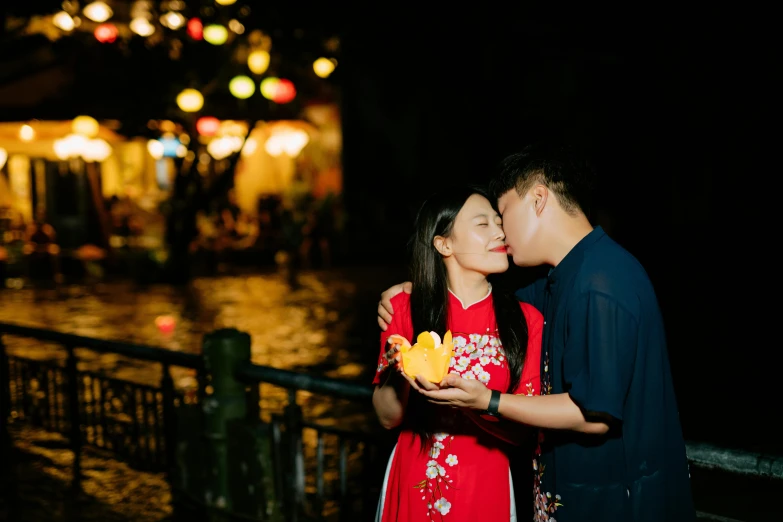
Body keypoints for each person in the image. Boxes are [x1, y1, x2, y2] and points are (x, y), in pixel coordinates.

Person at [376, 142, 695, 521]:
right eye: (487, 221)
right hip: (562, 494)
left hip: (615, 498)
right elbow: (478, 298)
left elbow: (595, 414)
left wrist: (487, 401)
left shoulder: (600, 281)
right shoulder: (558, 281)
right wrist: (410, 292)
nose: (500, 230)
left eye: (503, 214)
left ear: (539, 199)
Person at [372, 186, 543, 522]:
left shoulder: (526, 319)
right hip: (415, 476)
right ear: (444, 243)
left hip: (488, 482)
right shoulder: (404, 308)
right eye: (483, 225)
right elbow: (387, 417)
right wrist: (401, 370)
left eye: (499, 222)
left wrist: (479, 403)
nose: (500, 232)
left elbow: (525, 430)